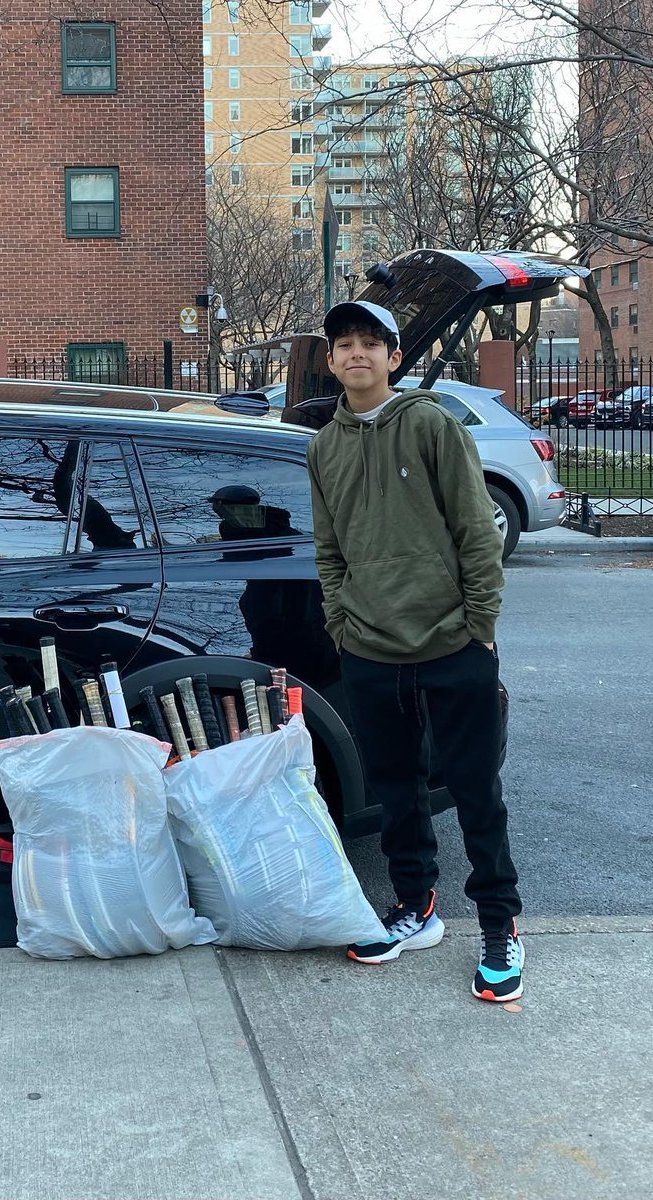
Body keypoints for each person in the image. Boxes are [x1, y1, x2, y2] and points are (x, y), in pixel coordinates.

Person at [306, 299, 523, 1003]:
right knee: (395, 790)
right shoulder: (323, 446)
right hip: (370, 650)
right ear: (331, 358)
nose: (357, 354)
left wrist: (479, 626)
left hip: (451, 642)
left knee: (473, 793)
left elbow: (474, 530)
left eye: (371, 343)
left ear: (393, 358)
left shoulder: (429, 424)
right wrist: (343, 623)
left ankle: (499, 926)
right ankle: (415, 907)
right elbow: (328, 548)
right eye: (345, 344)